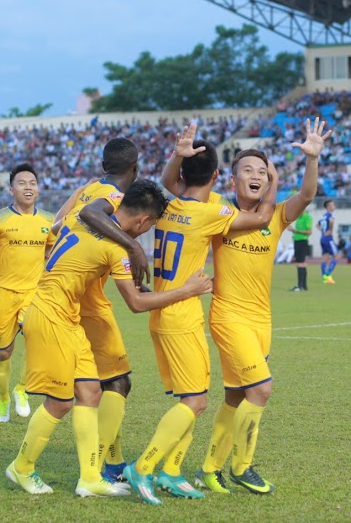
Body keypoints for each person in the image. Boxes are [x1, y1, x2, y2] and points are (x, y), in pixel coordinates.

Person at [6, 180, 214, 498]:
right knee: (60, 402)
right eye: (148, 227)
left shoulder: (84, 215)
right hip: (49, 317)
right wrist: (188, 290)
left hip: (68, 318)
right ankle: (21, 467)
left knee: (90, 392)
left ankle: (89, 477)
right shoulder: (118, 249)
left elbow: (84, 214)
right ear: (144, 221)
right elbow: (135, 304)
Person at [161, 119, 330, 496]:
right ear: (232, 180)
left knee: (237, 397)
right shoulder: (218, 209)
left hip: (261, 319)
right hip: (227, 316)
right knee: (262, 389)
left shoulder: (277, 215)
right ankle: (242, 466)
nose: (255, 176)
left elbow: (307, 194)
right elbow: (173, 187)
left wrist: (312, 159)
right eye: (247, 170)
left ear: (268, 180)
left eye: (262, 172)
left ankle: (210, 468)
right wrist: (178, 155)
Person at [111, 133, 278, 505]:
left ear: (184, 174)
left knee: (193, 398)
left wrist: (177, 156)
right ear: (218, 176)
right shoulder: (210, 214)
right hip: (180, 316)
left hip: (164, 315)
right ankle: (146, 466)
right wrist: (274, 180)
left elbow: (171, 184)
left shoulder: (167, 207)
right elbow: (263, 216)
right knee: (196, 402)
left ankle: (172, 471)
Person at [51, 138, 143, 485]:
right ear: (135, 167)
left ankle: (113, 462)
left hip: (70, 294)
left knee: (106, 383)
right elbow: (92, 216)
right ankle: (103, 465)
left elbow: (57, 227)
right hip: (87, 301)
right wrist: (131, 244)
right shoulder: (114, 198)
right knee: (118, 382)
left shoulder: (86, 188)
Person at [0, 163, 57, 424]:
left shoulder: (48, 220)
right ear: (11, 189)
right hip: (4, 292)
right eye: (22, 183)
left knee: (37, 343)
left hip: (34, 293)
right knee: (4, 352)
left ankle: (21, 389)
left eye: (32, 183)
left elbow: (51, 251)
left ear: (38, 189)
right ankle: (3, 399)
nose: (28, 187)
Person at [289, 209, 313, 291]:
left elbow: (309, 232)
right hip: (297, 241)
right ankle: (303, 286)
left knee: (300, 263)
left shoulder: (307, 217)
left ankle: (300, 286)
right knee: (300, 263)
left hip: (302, 241)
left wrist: (295, 230)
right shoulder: (299, 218)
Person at [318, 200, 337, 284]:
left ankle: (324, 278)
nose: (334, 206)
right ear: (328, 207)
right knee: (336, 256)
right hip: (328, 238)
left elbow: (317, 225)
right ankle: (327, 274)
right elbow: (331, 222)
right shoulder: (331, 215)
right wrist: (330, 230)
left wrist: (322, 232)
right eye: (332, 205)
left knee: (325, 258)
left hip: (322, 238)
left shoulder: (323, 216)